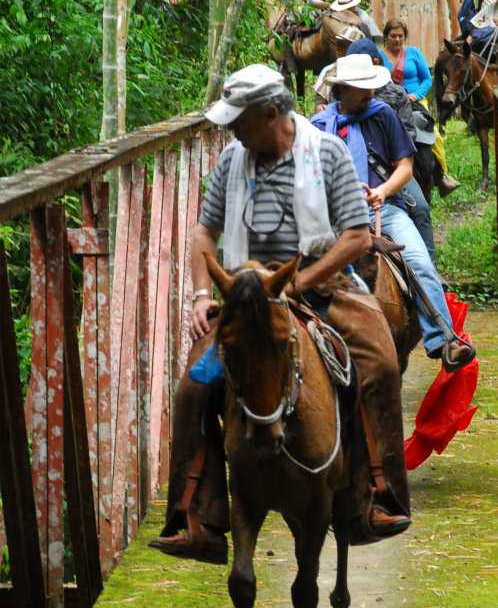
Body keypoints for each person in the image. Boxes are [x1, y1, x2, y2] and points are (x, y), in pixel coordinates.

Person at [149, 64, 412, 563]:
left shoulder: (327, 153)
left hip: (322, 284)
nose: (232, 129)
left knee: (379, 363)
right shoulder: (233, 159)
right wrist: (202, 295)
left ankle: (373, 497)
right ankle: (198, 516)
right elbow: (204, 232)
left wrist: (300, 283)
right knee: (193, 388)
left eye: (239, 119)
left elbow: (356, 238)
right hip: (248, 292)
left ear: (271, 113)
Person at [312, 54, 475, 369]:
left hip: (384, 209)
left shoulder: (383, 116)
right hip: (334, 218)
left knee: (418, 261)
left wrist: (383, 191)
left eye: (370, 86)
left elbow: (405, 167)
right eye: (361, 87)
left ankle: (444, 338)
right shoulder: (318, 127)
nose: (369, 92)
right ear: (342, 89)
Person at [344, 38, 437, 260]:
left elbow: (408, 134)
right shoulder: (331, 112)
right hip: (349, 185)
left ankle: (429, 265)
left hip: (391, 168)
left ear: (375, 62)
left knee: (420, 208)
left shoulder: (395, 96)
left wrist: (385, 153)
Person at [380, 18, 460, 198]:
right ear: (386, 37)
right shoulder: (379, 56)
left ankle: (443, 175)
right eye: (393, 36)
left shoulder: (414, 53)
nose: (397, 40)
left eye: (400, 36)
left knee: (435, 136)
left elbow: (427, 79)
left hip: (416, 101)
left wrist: (416, 95)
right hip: (390, 103)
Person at [314, 25, 364, 108]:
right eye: (339, 44)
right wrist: (320, 108)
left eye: (345, 46)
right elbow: (320, 101)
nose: (338, 49)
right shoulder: (329, 71)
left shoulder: (367, 72)